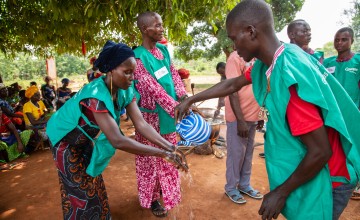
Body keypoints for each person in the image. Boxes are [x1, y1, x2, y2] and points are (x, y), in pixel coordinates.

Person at [175, 0, 360, 219]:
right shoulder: (274, 59)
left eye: (235, 38)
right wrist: (191, 99)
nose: (234, 47)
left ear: (251, 31)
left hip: (330, 179)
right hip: (319, 169)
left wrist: (280, 193)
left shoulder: (289, 78)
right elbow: (233, 83)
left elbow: (320, 151)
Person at [46, 41, 187, 220]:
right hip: (64, 140)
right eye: (127, 72)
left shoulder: (125, 90)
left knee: (93, 180)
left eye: (133, 72)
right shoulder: (96, 95)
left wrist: (170, 147)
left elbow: (141, 124)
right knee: (79, 191)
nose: (132, 77)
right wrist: (162, 153)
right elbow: (117, 140)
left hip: (84, 138)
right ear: (111, 70)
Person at [132, 11, 188, 217]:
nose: (161, 28)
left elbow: (173, 76)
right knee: (150, 159)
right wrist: (177, 107)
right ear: (145, 29)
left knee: (169, 154)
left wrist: (184, 98)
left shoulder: (163, 50)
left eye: (161, 24)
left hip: (169, 114)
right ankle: (153, 198)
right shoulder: (137, 57)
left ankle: (168, 192)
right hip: (149, 118)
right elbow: (153, 88)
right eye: (157, 25)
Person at [323, 27, 360, 201]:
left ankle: (353, 179)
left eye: (344, 39)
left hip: (351, 118)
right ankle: (333, 178)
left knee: (352, 150)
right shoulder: (327, 63)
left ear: (352, 41)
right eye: (337, 39)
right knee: (333, 149)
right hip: (331, 117)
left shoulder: (358, 62)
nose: (339, 43)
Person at [223, 49, 264, 204]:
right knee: (236, 154)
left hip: (254, 115)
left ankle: (244, 185)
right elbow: (232, 89)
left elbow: (261, 85)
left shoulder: (257, 58)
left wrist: (261, 113)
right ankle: (231, 187)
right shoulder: (235, 58)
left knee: (248, 153)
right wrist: (240, 120)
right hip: (238, 117)